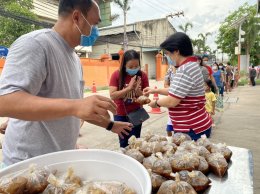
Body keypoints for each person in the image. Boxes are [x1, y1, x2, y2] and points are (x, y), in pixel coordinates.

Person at [0, 0, 132, 166]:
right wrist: (76, 106)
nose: (95, 31)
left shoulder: (75, 59)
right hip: (28, 164)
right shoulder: (36, 44)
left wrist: (110, 125)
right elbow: (4, 102)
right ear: (77, 17)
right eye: (94, 24)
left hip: (60, 161)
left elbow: (75, 109)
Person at [144, 32, 212, 141]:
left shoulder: (185, 69)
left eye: (168, 53)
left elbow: (172, 101)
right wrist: (154, 90)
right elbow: (177, 90)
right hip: (195, 125)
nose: (167, 57)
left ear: (176, 51)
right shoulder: (191, 66)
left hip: (191, 128)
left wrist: (156, 103)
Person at [109, 50, 149, 147]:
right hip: (120, 114)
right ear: (124, 65)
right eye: (130, 67)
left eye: (136, 66)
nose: (134, 69)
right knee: (123, 142)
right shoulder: (116, 75)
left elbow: (146, 97)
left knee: (135, 142)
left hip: (136, 114)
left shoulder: (142, 76)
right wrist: (129, 88)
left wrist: (137, 91)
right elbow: (113, 95)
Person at [164, 56, 176, 136]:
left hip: (184, 103)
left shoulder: (185, 69)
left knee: (180, 131)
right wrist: (173, 90)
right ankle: (171, 141)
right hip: (172, 98)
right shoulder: (170, 70)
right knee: (169, 128)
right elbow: (165, 84)